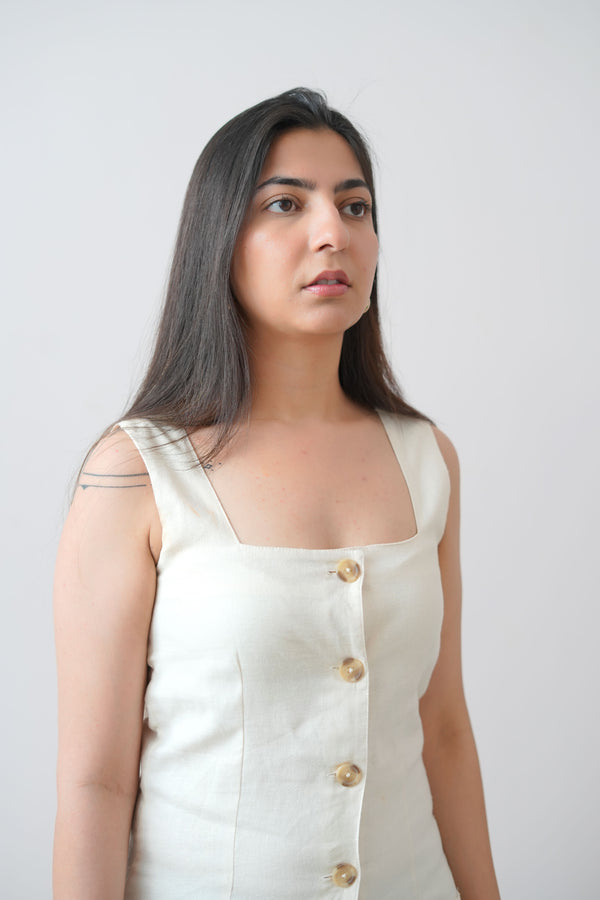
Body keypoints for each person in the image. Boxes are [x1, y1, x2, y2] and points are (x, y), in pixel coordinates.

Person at [53, 87, 501, 900]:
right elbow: (96, 780)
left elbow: (444, 733)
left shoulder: (427, 458)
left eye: (355, 206)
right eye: (286, 204)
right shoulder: (136, 470)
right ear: (219, 239)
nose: (334, 232)